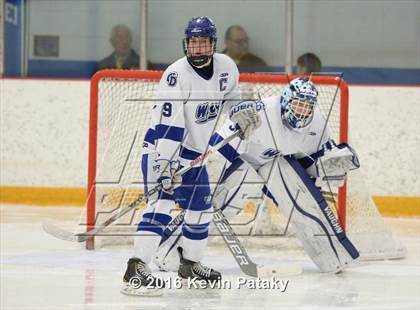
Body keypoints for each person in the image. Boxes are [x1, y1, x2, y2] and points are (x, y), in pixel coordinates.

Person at [154, 77, 361, 274]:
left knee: (305, 201)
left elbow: (309, 162)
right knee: (211, 206)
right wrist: (204, 185)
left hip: (275, 163)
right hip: (243, 162)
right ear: (287, 101)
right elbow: (219, 150)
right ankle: (169, 252)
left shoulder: (316, 123)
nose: (303, 111)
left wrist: (325, 170)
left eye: (308, 106)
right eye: (299, 104)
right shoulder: (260, 113)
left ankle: (334, 256)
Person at [120, 16, 261, 296]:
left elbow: (231, 98)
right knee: (160, 208)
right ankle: (135, 269)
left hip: (195, 155)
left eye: (203, 43)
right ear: (187, 44)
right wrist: (164, 165)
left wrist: (240, 113)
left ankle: (190, 265)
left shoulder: (226, 67)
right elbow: (170, 127)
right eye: (193, 44)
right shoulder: (175, 75)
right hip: (163, 150)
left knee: (201, 211)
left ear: (213, 44)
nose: (198, 49)